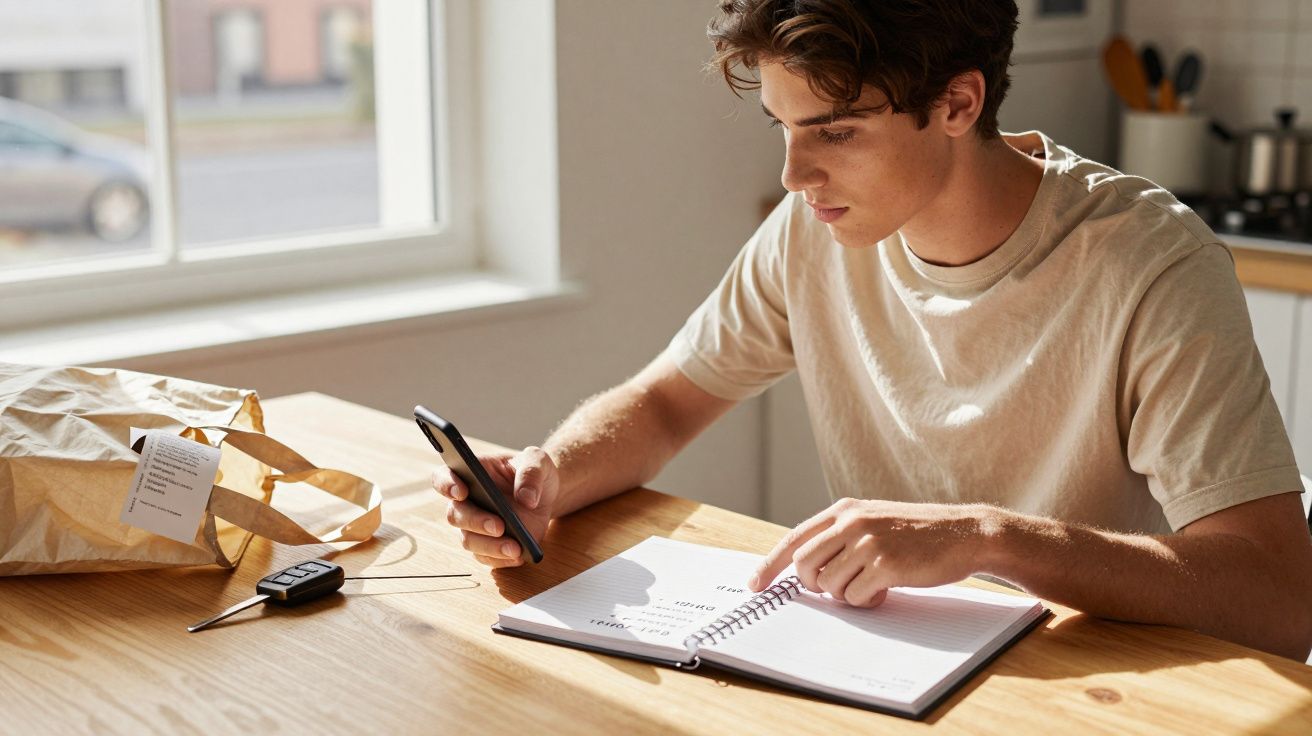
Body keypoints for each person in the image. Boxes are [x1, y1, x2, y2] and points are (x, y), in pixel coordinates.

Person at [434, 0, 1312, 660]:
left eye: (836, 132)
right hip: (887, 674)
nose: (793, 175)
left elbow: (1280, 597)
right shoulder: (812, 230)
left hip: (1100, 686)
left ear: (958, 103)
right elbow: (666, 403)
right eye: (782, 128)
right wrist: (552, 475)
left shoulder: (1151, 262)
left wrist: (985, 535)